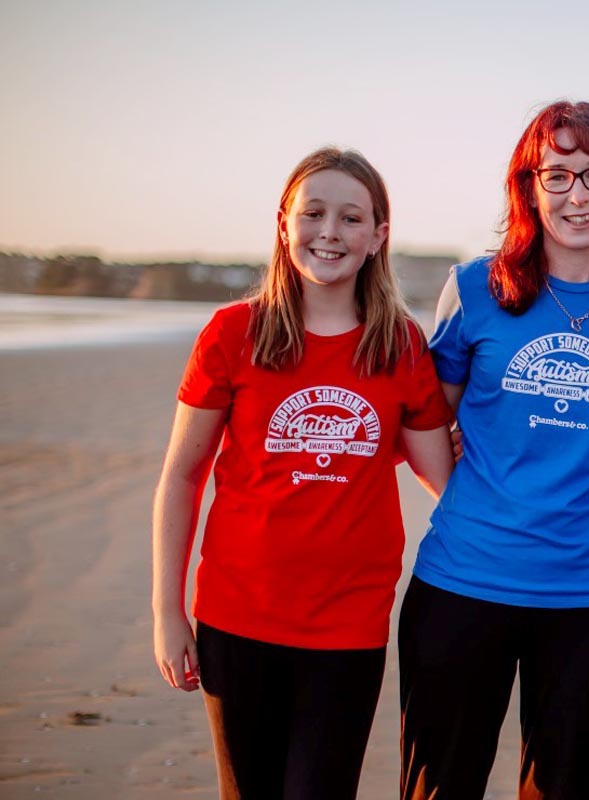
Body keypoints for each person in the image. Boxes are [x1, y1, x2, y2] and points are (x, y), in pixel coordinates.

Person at [151, 147, 455, 799]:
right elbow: (181, 478)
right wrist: (167, 613)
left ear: (378, 236)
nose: (329, 232)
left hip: (349, 625)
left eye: (351, 218)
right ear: (284, 224)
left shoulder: (399, 344)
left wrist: (556, 493)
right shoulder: (234, 333)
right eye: (313, 212)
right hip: (237, 617)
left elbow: (449, 482)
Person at [397, 101, 589, 800]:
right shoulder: (474, 289)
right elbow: (428, 424)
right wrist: (485, 504)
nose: (578, 194)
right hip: (464, 583)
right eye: (557, 175)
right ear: (528, 187)